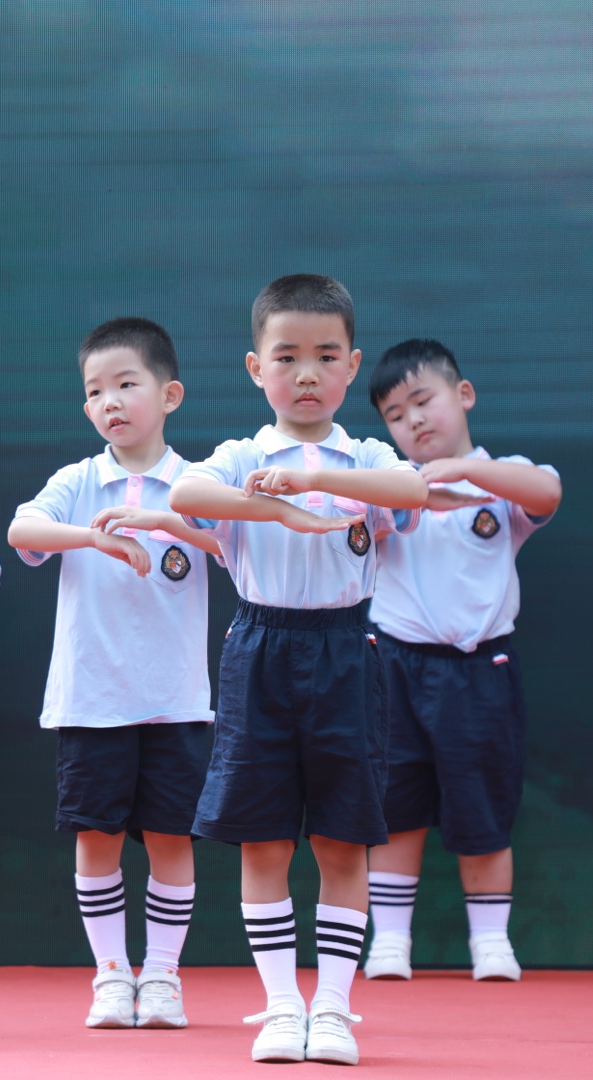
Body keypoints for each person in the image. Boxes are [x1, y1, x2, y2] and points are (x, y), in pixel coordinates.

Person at [169, 275, 427, 1066]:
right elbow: (185, 492)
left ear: (351, 366)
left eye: (325, 356)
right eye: (287, 357)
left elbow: (414, 489)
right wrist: (276, 507)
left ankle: (335, 1008)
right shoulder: (242, 456)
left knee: (344, 840)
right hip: (260, 650)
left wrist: (316, 480)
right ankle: (283, 1005)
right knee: (264, 840)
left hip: (348, 651)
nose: (306, 374)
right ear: (257, 369)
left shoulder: (367, 457)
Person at [8, 318, 235, 1030]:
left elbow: (231, 547)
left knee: (171, 839)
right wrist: (92, 537)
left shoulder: (197, 484)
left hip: (175, 702)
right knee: (96, 838)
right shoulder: (78, 481)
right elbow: (21, 532)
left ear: (169, 395)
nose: (109, 401)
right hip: (92, 700)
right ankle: (111, 975)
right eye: (95, 391)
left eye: (126, 384)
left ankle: (162, 976)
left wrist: (169, 524)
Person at [361, 339, 562, 983]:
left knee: (484, 803)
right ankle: (390, 941)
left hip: (481, 671)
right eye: (396, 415)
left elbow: (548, 492)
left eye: (424, 401)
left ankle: (491, 942)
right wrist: (413, 489)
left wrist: (463, 473)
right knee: (395, 807)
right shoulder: (387, 485)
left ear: (464, 394)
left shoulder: (503, 479)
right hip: (393, 667)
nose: (414, 420)